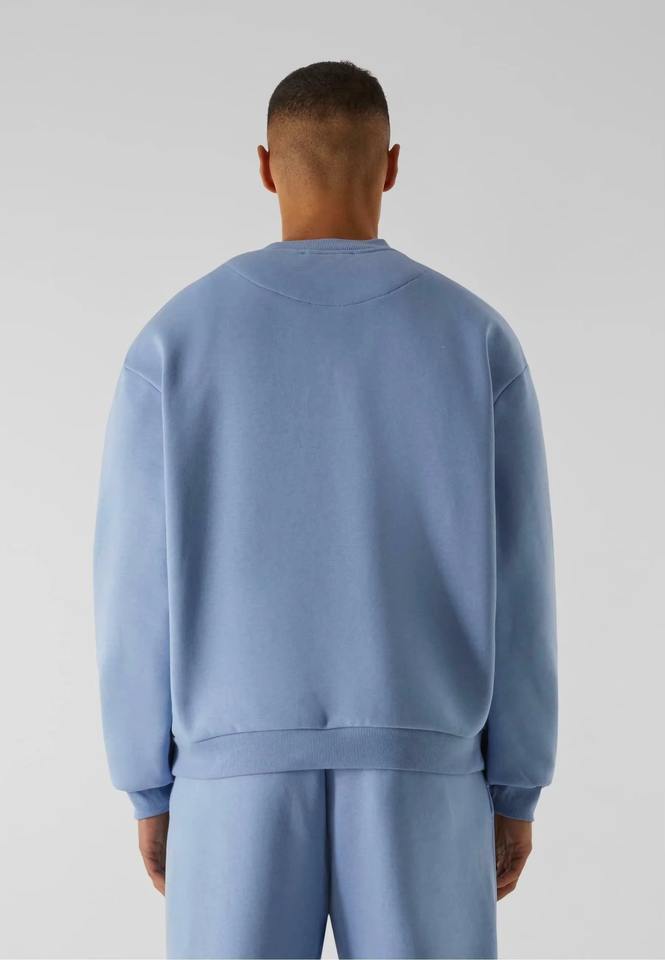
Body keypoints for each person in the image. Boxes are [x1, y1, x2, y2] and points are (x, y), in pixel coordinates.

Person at [94, 60, 557, 960]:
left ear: (266, 167)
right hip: (424, 773)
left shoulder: (175, 340)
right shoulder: (473, 338)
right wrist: (515, 784)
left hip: (232, 780)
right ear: (391, 165)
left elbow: (132, 585)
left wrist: (147, 784)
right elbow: (521, 579)